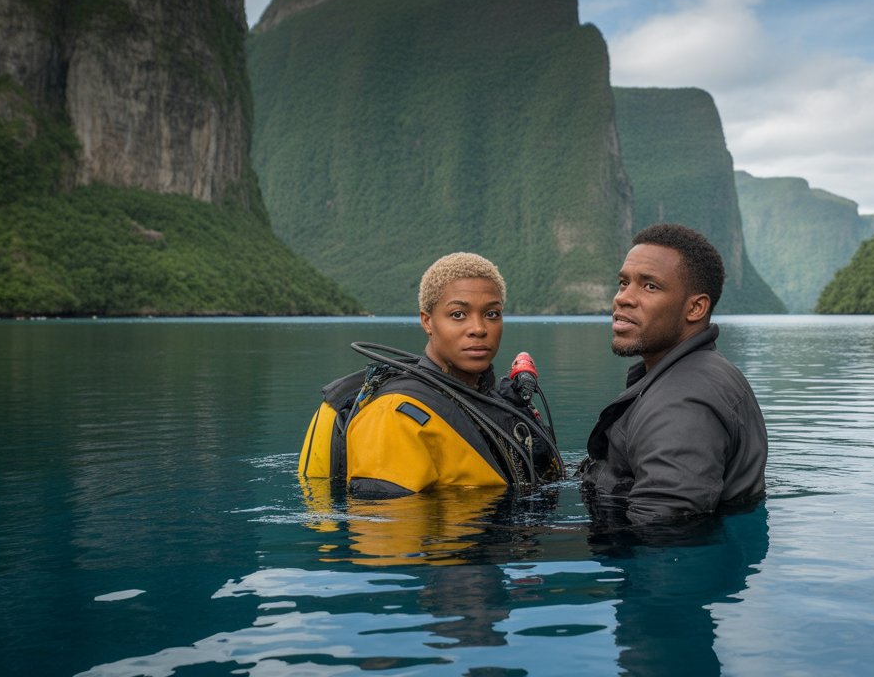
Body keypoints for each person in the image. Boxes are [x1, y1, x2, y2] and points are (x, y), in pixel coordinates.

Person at [298, 252, 564, 497]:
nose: (479, 328)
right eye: (458, 314)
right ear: (427, 321)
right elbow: (389, 535)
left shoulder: (491, 401)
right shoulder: (395, 415)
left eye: (492, 314)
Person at [579, 223, 768, 525]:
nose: (623, 298)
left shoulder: (682, 405)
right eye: (623, 283)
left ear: (695, 308)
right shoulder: (695, 374)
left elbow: (664, 536)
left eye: (650, 286)